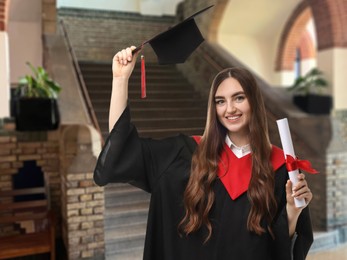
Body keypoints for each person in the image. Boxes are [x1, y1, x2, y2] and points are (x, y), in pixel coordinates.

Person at [94, 46, 314, 260]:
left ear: (254, 102)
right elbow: (122, 149)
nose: (230, 109)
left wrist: (293, 211)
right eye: (220, 101)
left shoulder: (280, 168)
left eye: (239, 98)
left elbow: (279, 249)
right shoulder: (185, 153)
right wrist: (120, 80)